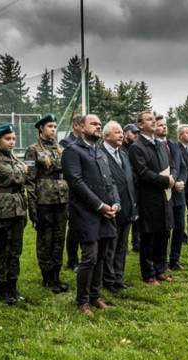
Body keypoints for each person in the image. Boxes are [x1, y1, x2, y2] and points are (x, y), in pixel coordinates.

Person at [61, 114, 120, 316]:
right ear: (80, 127)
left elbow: (111, 182)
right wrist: (99, 205)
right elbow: (76, 182)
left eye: (99, 124)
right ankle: (82, 301)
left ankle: (96, 297)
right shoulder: (72, 151)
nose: (98, 126)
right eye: (93, 124)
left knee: (102, 257)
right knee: (90, 258)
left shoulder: (100, 153)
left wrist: (116, 203)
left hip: (106, 212)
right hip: (86, 213)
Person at [0, 124, 30, 305]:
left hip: (17, 210)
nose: (11, 142)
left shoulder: (16, 160)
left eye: (13, 139)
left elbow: (22, 185)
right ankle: (1, 287)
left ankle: (12, 285)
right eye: (7, 139)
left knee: (15, 250)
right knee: (2, 250)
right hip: (0, 211)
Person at [128, 111, 175, 286]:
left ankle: (160, 269)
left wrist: (172, 178)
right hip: (148, 198)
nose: (154, 122)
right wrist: (165, 181)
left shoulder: (161, 145)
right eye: (149, 120)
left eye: (154, 119)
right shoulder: (136, 147)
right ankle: (148, 274)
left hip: (164, 196)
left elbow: (169, 166)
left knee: (164, 233)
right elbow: (142, 172)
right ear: (140, 125)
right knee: (149, 236)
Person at [24, 114, 70, 293]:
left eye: (54, 126)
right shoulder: (33, 150)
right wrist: (32, 205)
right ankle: (47, 277)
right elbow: (29, 178)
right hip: (44, 200)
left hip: (62, 199)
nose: (53, 129)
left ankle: (56, 275)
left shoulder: (61, 149)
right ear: (41, 128)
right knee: (46, 239)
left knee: (59, 238)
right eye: (49, 126)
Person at [101, 121, 136, 293]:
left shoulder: (123, 153)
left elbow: (129, 182)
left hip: (127, 206)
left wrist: (133, 207)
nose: (121, 135)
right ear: (107, 136)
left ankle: (118, 278)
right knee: (110, 246)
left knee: (122, 245)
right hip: (110, 207)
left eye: (122, 132)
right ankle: (108, 280)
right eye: (117, 132)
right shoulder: (99, 154)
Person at [156, 115, 186, 272]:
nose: (164, 127)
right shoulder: (153, 146)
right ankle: (162, 262)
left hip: (179, 194)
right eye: (160, 125)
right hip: (164, 193)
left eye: (165, 124)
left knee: (179, 229)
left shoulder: (174, 145)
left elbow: (182, 166)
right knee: (165, 231)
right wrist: (172, 183)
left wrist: (181, 181)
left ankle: (175, 259)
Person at [60, 114, 83, 272]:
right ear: (76, 126)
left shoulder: (87, 143)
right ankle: (73, 260)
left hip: (85, 189)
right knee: (74, 226)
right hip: (71, 189)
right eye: (83, 125)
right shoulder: (65, 143)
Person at [121, 123, 141, 252]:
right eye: (133, 133)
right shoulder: (120, 148)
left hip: (136, 186)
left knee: (137, 215)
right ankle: (123, 246)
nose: (136, 135)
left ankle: (136, 244)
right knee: (125, 216)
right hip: (124, 186)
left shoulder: (135, 148)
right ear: (125, 133)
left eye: (137, 133)